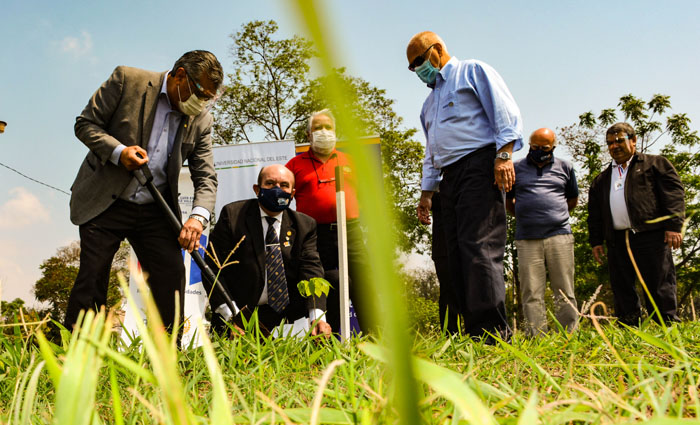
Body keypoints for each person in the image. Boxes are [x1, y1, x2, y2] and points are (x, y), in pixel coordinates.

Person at [65, 50, 222, 331]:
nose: (203, 103)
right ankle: (77, 353)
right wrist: (118, 152)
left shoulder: (201, 120)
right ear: (181, 76)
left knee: (171, 277)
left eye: (209, 98)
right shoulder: (127, 79)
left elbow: (206, 176)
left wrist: (197, 218)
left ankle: (167, 358)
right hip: (106, 201)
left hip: (156, 207)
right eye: (201, 94)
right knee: (93, 275)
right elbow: (85, 124)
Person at [407, 31, 523, 341]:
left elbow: (505, 114)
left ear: (438, 50)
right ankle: (469, 331)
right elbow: (432, 151)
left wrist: (503, 157)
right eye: (411, 67)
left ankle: (493, 333)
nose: (417, 70)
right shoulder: (428, 105)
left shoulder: (471, 71)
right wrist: (426, 194)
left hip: (480, 165)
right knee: (455, 253)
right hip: (450, 177)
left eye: (418, 61)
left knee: (479, 246)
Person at [206, 164, 332, 337]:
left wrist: (317, 317)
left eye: (284, 185)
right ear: (257, 189)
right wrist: (232, 316)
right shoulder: (233, 216)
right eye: (270, 184)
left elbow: (311, 270)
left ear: (292, 193)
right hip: (240, 312)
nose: (277, 190)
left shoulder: (305, 225)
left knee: (336, 279)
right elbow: (212, 269)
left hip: (287, 318)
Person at [285, 109, 374, 333]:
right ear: (308, 134)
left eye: (328, 128)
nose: (323, 132)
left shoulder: (350, 160)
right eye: (318, 128)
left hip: (350, 232)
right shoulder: (295, 165)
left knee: (364, 283)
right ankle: (329, 338)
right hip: (313, 235)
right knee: (322, 285)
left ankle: (376, 338)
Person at [588, 122, 684, 325]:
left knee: (658, 282)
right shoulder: (602, 179)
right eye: (610, 143)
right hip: (617, 239)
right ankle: (629, 326)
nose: (614, 146)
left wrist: (674, 226)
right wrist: (596, 241)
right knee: (622, 285)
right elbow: (594, 213)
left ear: (633, 140)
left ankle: (666, 325)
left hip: (651, 235)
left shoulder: (655, 164)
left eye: (619, 141)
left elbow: (673, 195)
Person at [505, 128, 579, 335]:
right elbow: (508, 201)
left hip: (559, 234)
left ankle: (569, 334)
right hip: (527, 237)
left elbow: (572, 199)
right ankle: (536, 335)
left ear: (553, 147)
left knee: (564, 289)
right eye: (534, 147)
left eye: (544, 148)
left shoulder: (565, 167)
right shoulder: (516, 167)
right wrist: (525, 215)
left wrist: (555, 215)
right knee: (531, 290)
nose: (538, 151)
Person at [431, 192, 460, 333]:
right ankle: (450, 334)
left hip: (468, 246)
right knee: (448, 291)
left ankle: (477, 333)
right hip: (443, 247)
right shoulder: (434, 188)